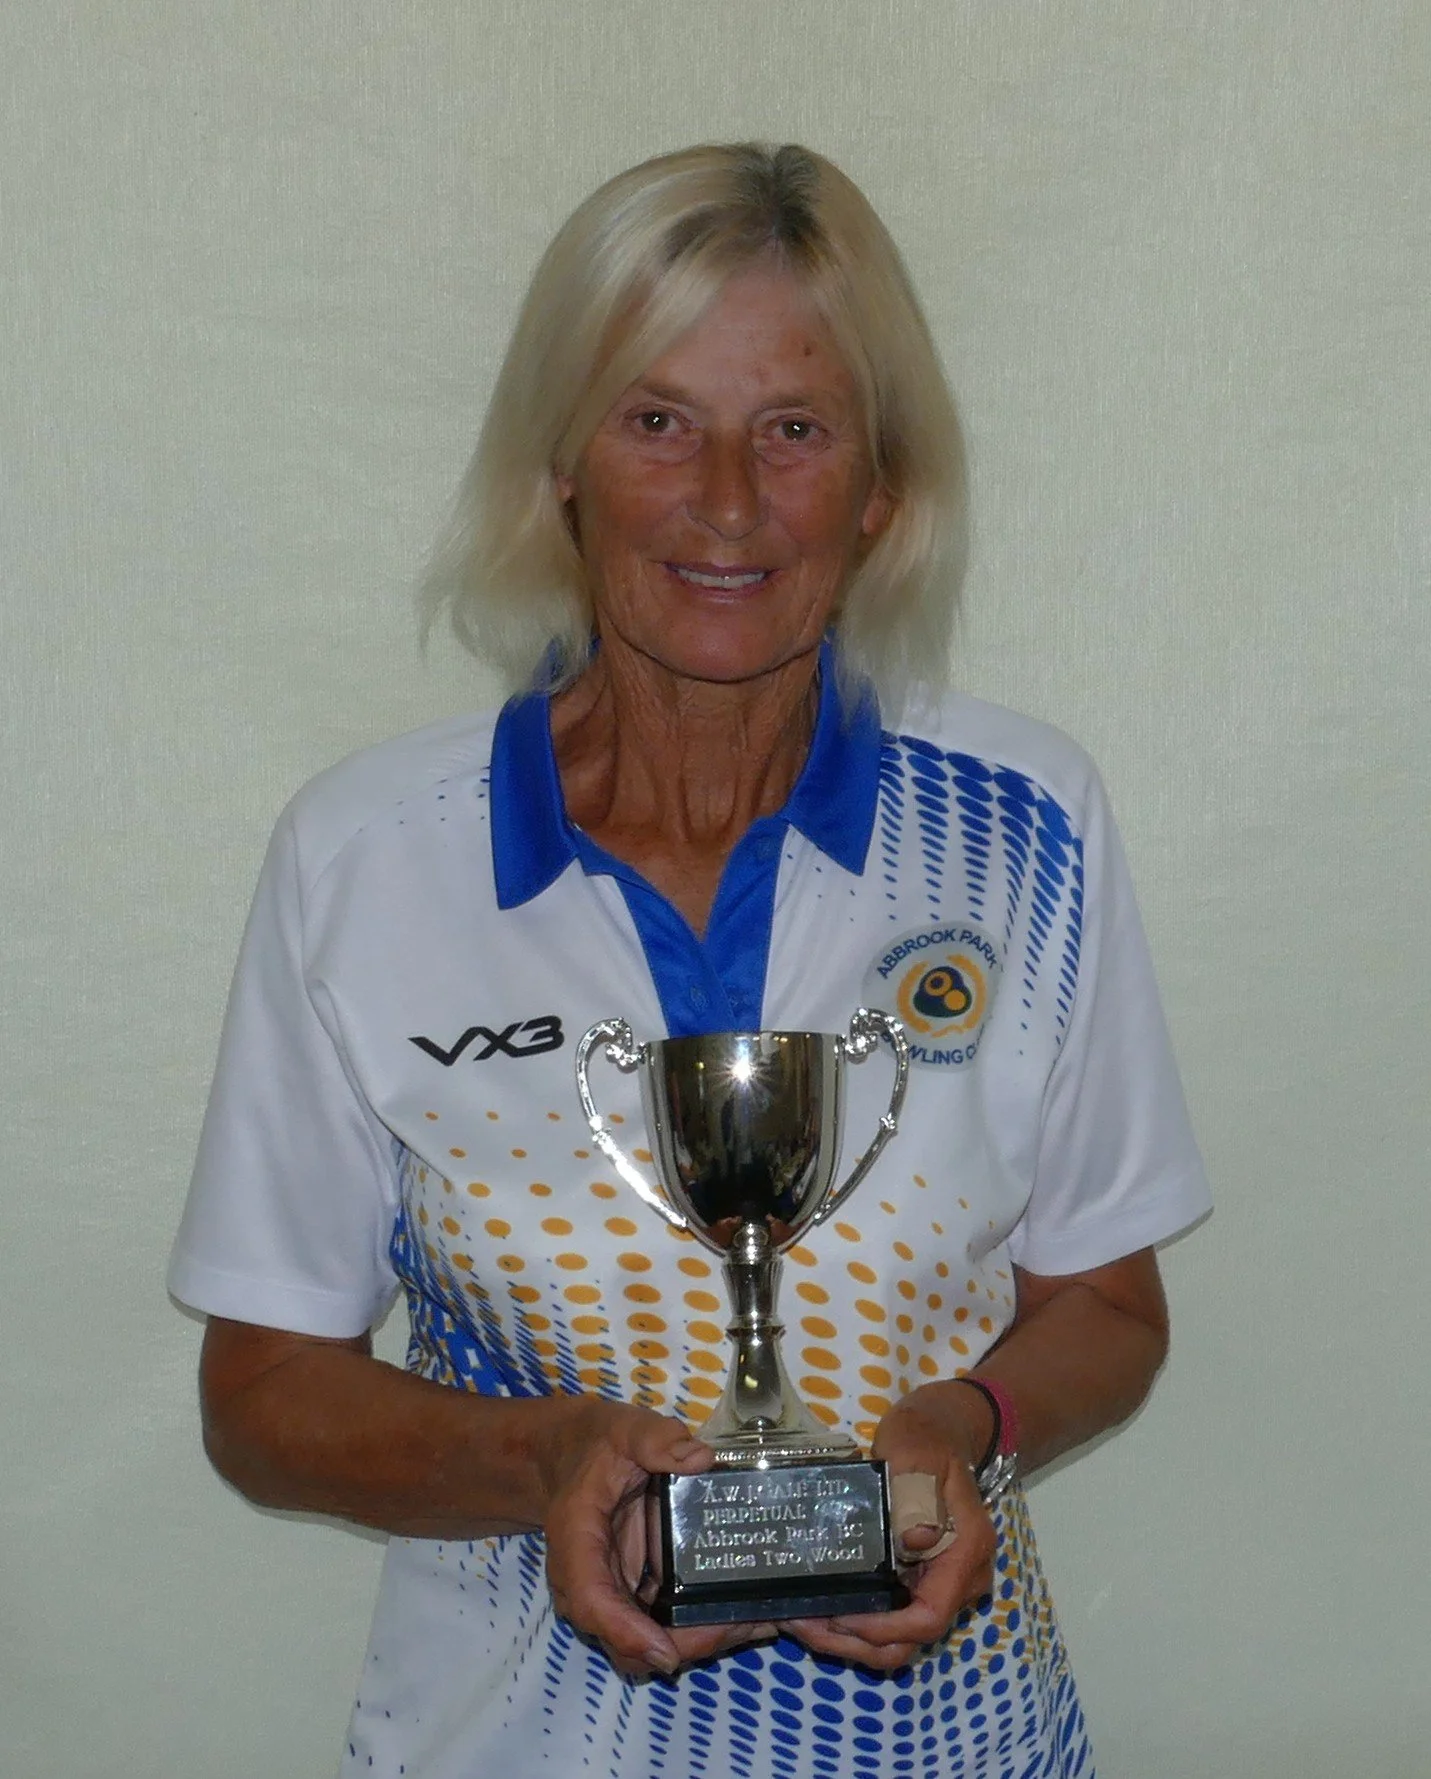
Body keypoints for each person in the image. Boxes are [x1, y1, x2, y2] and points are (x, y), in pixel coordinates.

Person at [169, 142, 1210, 1779]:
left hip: (948, 1744)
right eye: (656, 420)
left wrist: (965, 1427)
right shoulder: (366, 855)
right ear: (562, 464)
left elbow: (1105, 1302)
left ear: (880, 487)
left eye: (794, 430)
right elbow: (261, 1393)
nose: (727, 501)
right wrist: (547, 1461)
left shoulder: (1021, 825)